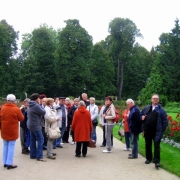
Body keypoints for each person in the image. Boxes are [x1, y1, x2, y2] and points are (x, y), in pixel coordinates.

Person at [141, 94, 168, 168]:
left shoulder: (161, 110)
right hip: (147, 130)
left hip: (156, 131)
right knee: (148, 145)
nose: (155, 100)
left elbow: (165, 121)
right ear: (151, 99)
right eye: (154, 98)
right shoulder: (147, 108)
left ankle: (156, 161)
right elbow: (141, 114)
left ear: (158, 100)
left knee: (157, 146)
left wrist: (162, 130)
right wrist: (142, 117)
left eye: (156, 99)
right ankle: (148, 158)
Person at [0, 94, 24, 169]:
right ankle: (9, 163)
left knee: (5, 146)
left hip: (4, 129)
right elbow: (21, 119)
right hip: (12, 129)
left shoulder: (2, 108)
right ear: (14, 101)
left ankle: (5, 162)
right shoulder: (16, 109)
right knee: (11, 146)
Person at [27, 93, 46, 162]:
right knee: (41, 139)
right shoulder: (36, 105)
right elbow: (43, 112)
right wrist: (41, 105)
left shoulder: (30, 104)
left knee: (33, 139)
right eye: (39, 99)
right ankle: (39, 156)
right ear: (36, 99)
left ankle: (32, 155)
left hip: (30, 124)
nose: (40, 100)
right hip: (35, 125)